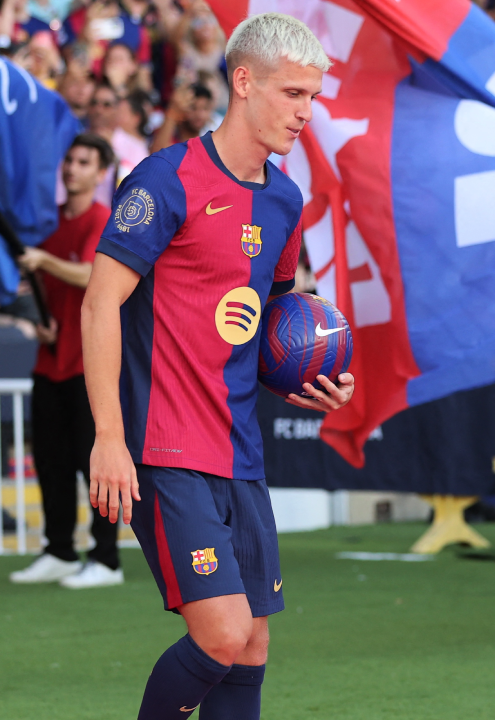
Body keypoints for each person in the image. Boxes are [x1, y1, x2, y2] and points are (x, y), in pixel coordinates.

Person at [81, 13, 354, 719]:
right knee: (223, 633)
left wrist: (311, 373)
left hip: (240, 451)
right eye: (292, 93)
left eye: (312, 97)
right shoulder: (165, 179)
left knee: (252, 645)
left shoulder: (285, 200)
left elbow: (271, 324)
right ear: (243, 81)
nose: (305, 112)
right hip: (165, 447)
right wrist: (108, 436)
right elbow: (100, 303)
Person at [10, 134, 123, 588]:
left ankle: (106, 559)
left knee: (92, 464)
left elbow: (93, 273)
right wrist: (38, 320)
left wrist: (44, 260)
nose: (72, 168)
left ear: (101, 173)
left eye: (83, 162)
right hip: (50, 360)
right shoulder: (49, 222)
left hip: (90, 366)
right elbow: (41, 287)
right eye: (70, 160)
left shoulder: (104, 219)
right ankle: (58, 549)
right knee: (50, 461)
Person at [149, 82, 217, 153]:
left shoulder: (210, 145)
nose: (200, 115)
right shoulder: (164, 135)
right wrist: (172, 114)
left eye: (205, 108)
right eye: (193, 108)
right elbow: (156, 154)